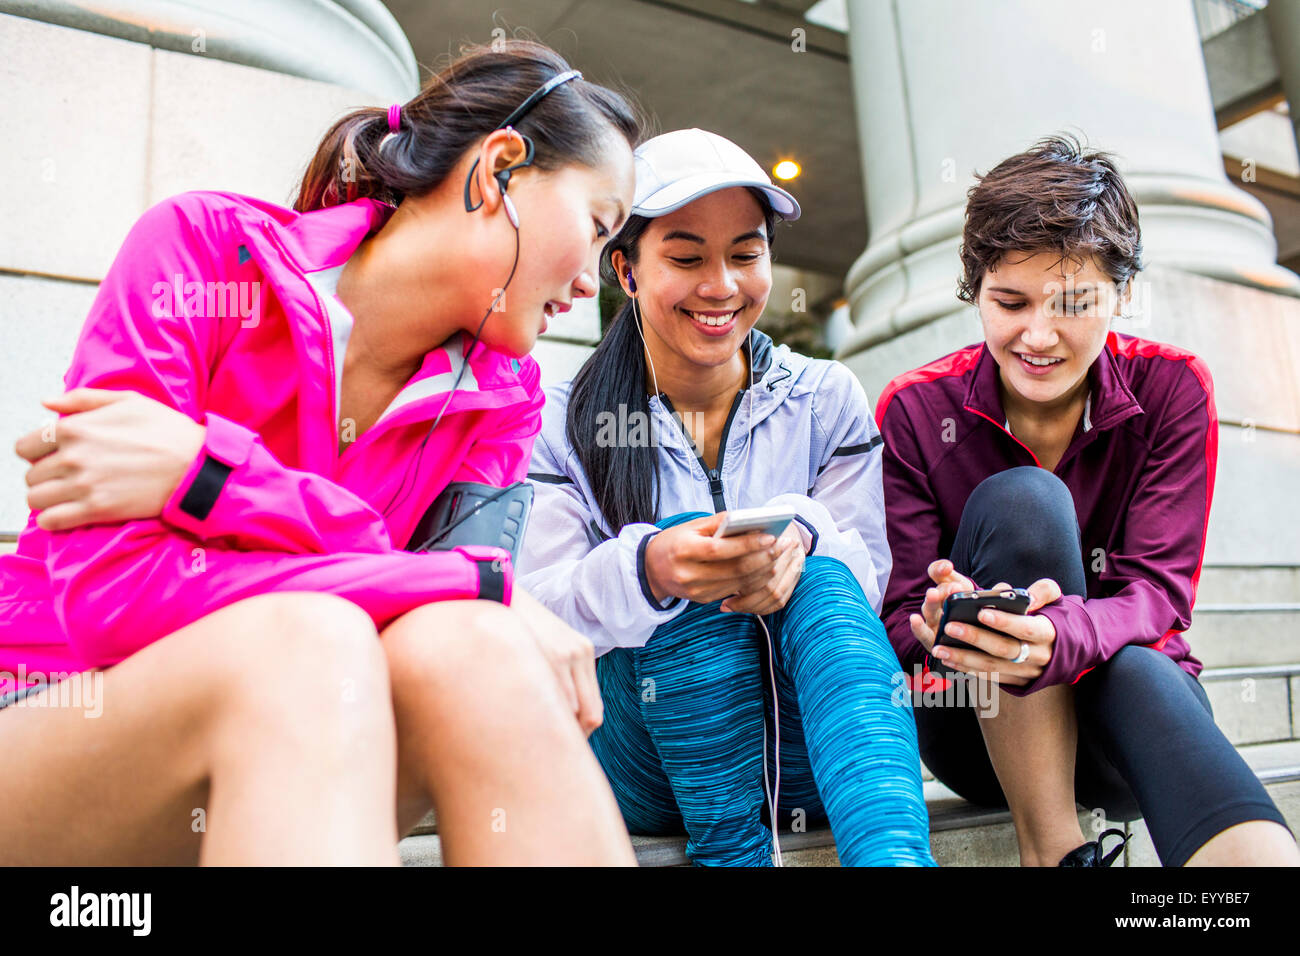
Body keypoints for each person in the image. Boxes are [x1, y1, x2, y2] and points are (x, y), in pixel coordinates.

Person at [0, 40, 640, 866]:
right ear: (500, 170)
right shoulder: (201, 250)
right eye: (597, 227)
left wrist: (207, 478)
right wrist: (463, 583)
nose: (595, 279)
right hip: (54, 719)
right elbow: (111, 599)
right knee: (314, 638)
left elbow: (458, 613)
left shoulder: (505, 399)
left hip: (308, 757)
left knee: (471, 648)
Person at [877, 134, 1299, 867]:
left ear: (1123, 293)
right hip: (975, 725)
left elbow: (1158, 594)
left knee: (1137, 666)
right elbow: (898, 620)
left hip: (1124, 727)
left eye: (1073, 304)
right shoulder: (917, 409)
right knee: (1025, 501)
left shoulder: (1172, 388)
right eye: (1010, 301)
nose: (1038, 336)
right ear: (975, 291)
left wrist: (1063, 637)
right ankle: (1056, 853)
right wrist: (941, 624)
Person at [516, 128, 935, 866]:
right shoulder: (556, 418)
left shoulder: (825, 396)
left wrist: (799, 539)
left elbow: (866, 582)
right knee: (682, 554)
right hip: (642, 761)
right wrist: (651, 570)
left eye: (746, 254)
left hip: (810, 746)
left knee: (822, 572)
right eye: (685, 257)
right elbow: (536, 612)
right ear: (626, 269)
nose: (721, 286)